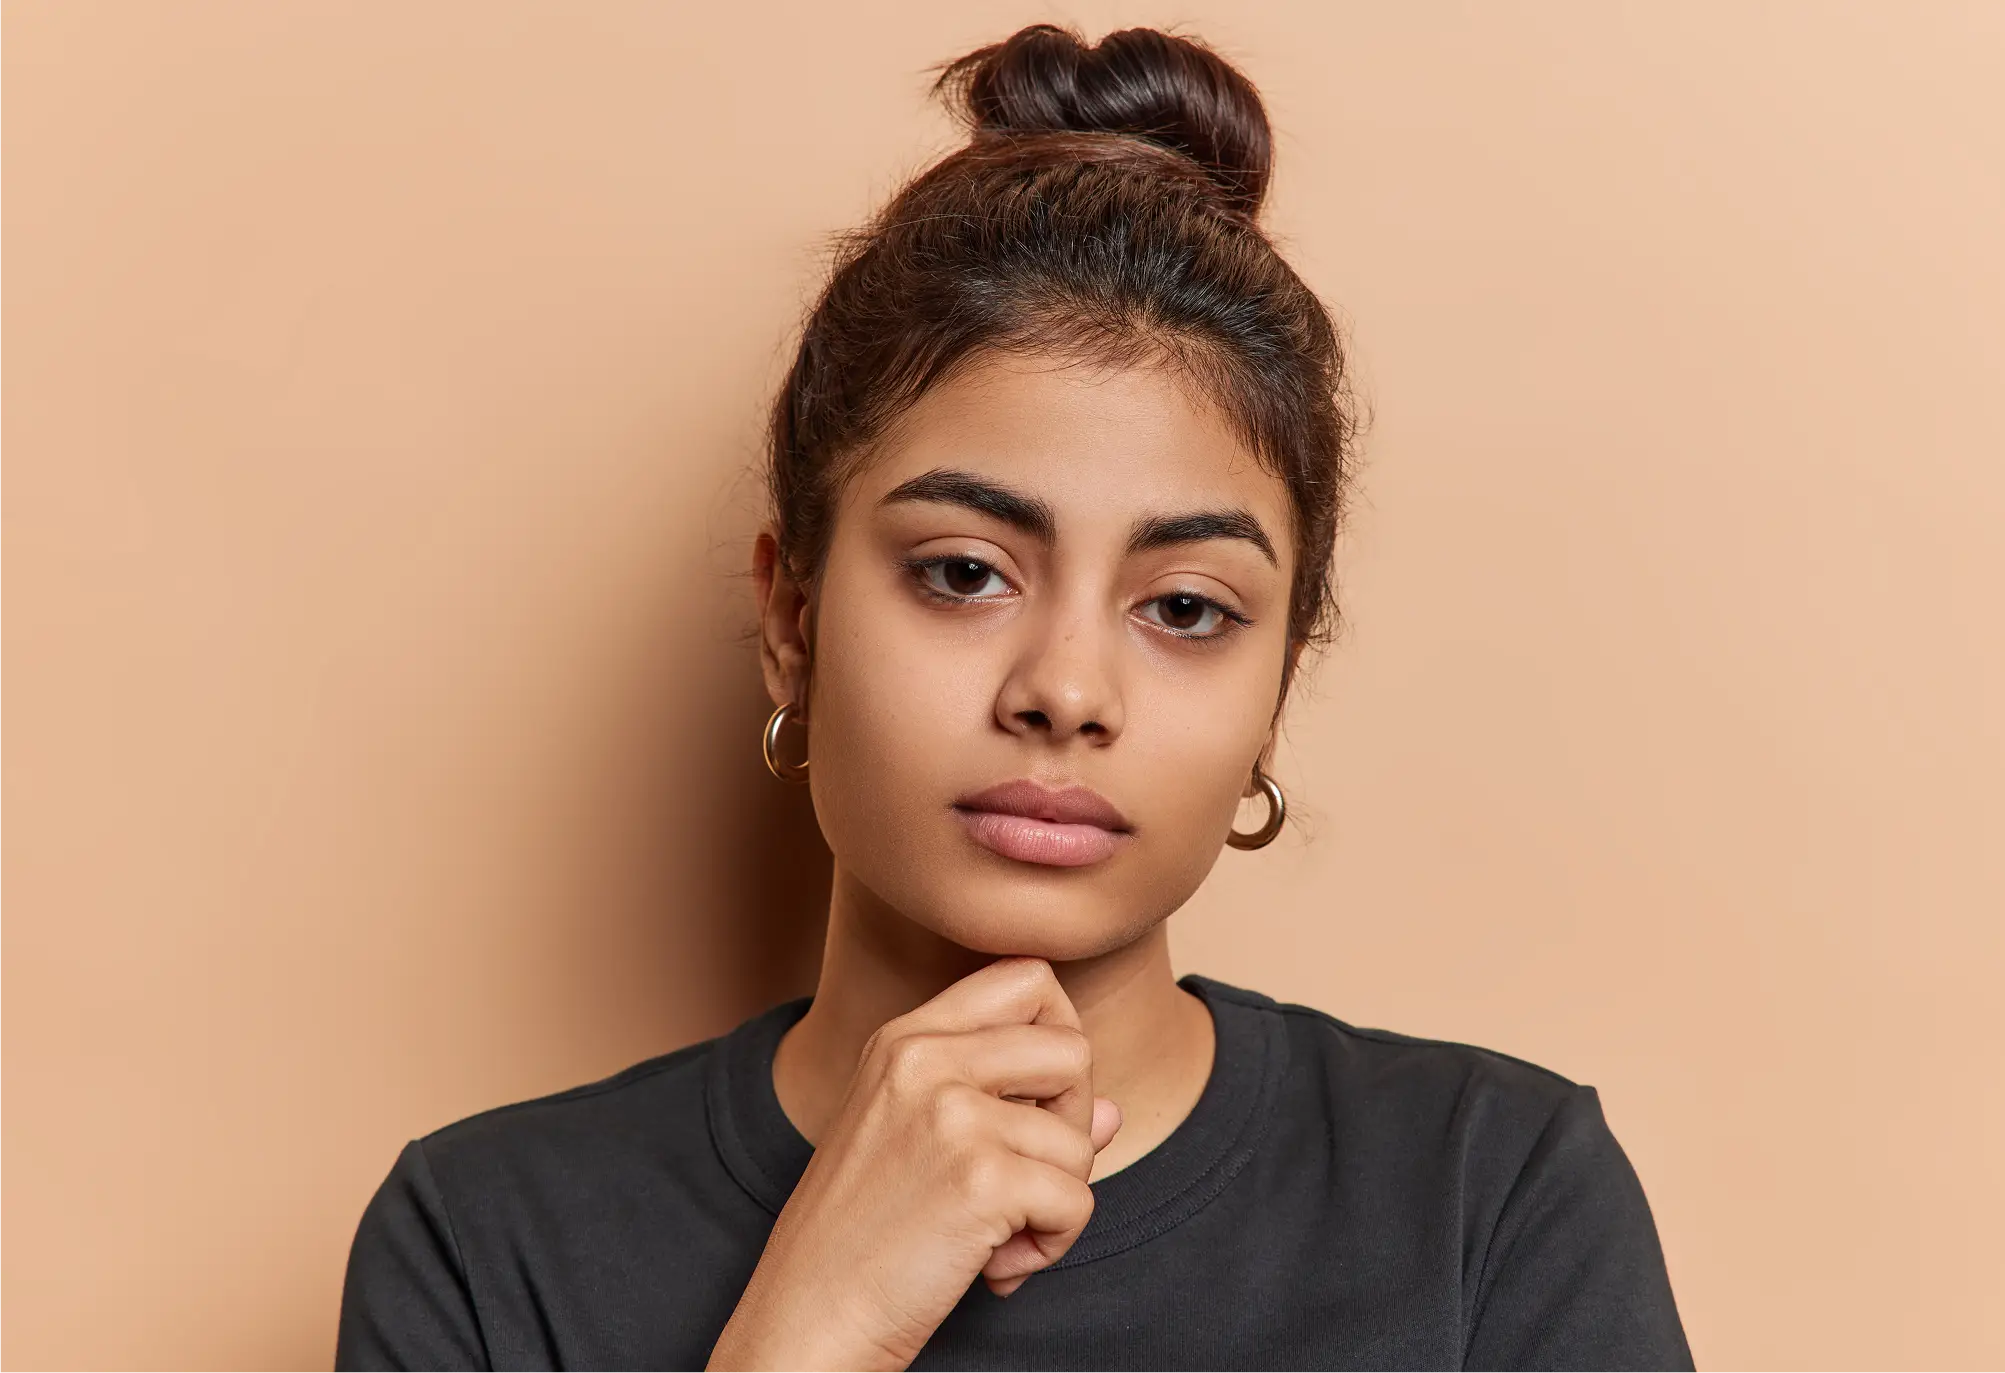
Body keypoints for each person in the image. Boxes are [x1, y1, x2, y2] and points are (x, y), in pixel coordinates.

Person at [335, 24, 1695, 1372]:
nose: (1065, 691)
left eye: (1184, 610)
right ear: (791, 626)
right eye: (965, 574)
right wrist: (814, 1332)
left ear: (1273, 695)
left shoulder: (1488, 1199)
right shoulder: (483, 1244)